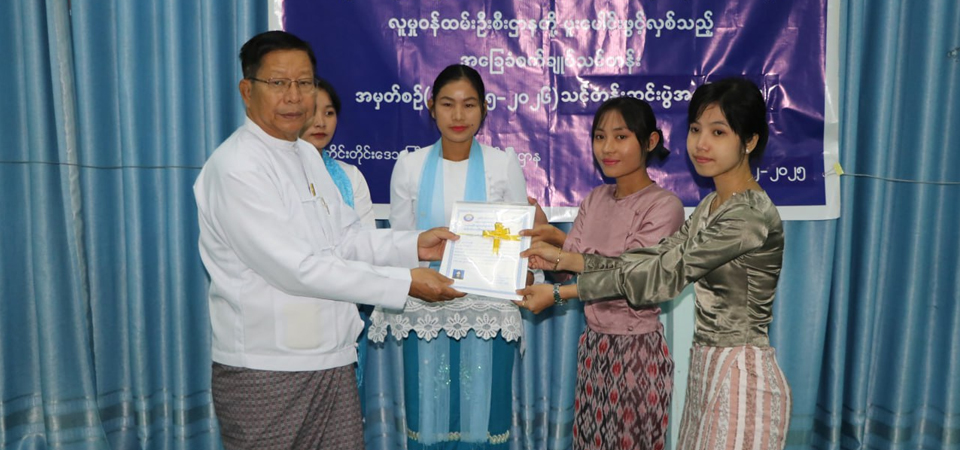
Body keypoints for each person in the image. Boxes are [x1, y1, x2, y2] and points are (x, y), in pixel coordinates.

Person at [193, 31, 464, 450]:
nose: (294, 96)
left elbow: (346, 238)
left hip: (333, 360)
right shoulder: (236, 168)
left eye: (304, 82)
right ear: (247, 91)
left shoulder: (305, 155)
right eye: (278, 82)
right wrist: (405, 283)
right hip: (267, 369)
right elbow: (297, 269)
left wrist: (415, 246)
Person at [519, 78, 792, 450]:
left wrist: (560, 292)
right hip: (706, 363)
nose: (701, 143)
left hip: (741, 370)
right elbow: (650, 260)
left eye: (718, 132)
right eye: (695, 129)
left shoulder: (747, 217)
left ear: (750, 141)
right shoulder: (712, 206)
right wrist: (563, 256)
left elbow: (662, 275)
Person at [367, 64, 529, 448]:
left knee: (486, 413)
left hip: (487, 307)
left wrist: (519, 273)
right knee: (429, 411)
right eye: (447, 104)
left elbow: (519, 241)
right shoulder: (409, 166)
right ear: (431, 107)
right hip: (426, 304)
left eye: (469, 104)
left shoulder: (503, 164)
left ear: (484, 109)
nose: (458, 115)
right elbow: (401, 242)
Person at [520, 97, 684, 449]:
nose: (607, 148)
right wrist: (548, 253)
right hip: (593, 349)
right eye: (599, 137)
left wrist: (560, 284)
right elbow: (569, 271)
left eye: (621, 137)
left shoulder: (664, 206)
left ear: (650, 141)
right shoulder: (595, 199)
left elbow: (631, 276)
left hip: (637, 353)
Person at [300, 77, 375, 228]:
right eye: (311, 112)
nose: (320, 123)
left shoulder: (351, 176)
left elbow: (368, 237)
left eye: (329, 113)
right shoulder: (274, 171)